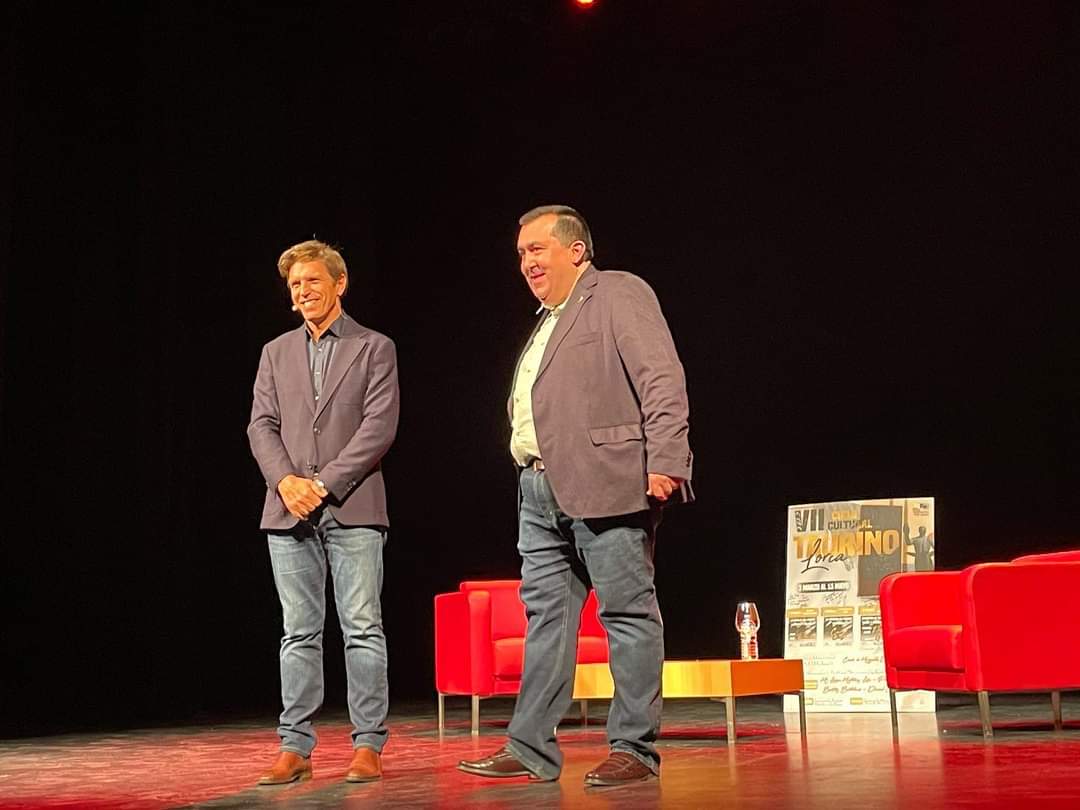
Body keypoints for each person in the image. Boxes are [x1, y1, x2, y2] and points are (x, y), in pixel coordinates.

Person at [458, 205, 693, 787]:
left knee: (626, 613)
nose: (527, 262)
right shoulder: (546, 319)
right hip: (538, 488)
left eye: (537, 249)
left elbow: (660, 376)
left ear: (577, 250)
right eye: (521, 254)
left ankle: (634, 748)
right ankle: (530, 747)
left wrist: (667, 458)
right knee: (547, 619)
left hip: (608, 479)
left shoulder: (617, 293)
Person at [247, 239, 399, 785]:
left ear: (340, 283)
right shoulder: (274, 352)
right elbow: (260, 426)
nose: (303, 291)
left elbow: (379, 427)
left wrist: (324, 484)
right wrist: (287, 483)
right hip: (287, 509)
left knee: (362, 628)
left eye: (312, 280)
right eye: (295, 284)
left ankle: (368, 744)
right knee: (298, 632)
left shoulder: (374, 347)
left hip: (353, 506)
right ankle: (295, 747)